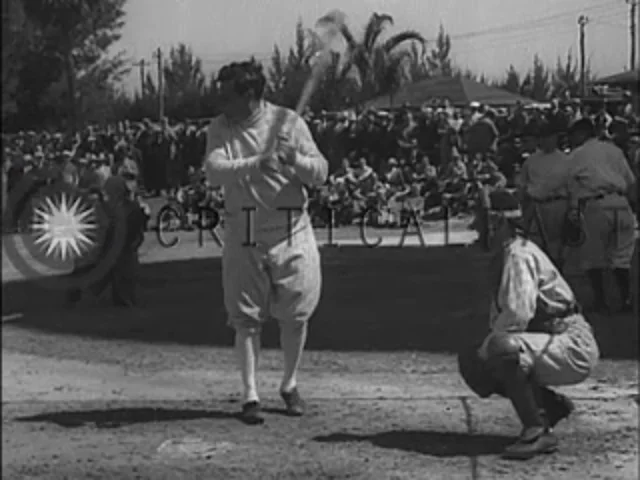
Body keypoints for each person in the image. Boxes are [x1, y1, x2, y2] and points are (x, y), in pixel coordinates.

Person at [204, 60, 328, 425]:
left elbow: (321, 172)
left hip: (292, 229)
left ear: (249, 95)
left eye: (227, 95)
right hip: (244, 229)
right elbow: (213, 172)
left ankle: (289, 384)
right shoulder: (220, 128)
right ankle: (250, 395)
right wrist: (259, 162)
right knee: (245, 318)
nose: (220, 101)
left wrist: (295, 159)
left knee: (296, 314)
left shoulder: (290, 122)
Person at [457, 190, 600, 460]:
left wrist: (486, 350)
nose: (476, 227)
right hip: (554, 340)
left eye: (482, 219)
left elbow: (516, 315)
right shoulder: (510, 252)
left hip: (571, 343)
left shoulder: (518, 256)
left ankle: (537, 431)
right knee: (477, 359)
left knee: (499, 349)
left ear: (497, 222)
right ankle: (548, 406)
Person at [566, 118, 637, 313]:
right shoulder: (613, 150)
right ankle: (626, 300)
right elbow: (630, 181)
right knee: (621, 256)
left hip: (595, 204)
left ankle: (601, 301)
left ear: (581, 134)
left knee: (593, 256)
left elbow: (566, 182)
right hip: (621, 203)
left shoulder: (578, 155)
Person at [519, 120, 571, 269]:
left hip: (558, 204)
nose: (547, 140)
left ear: (556, 138)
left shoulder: (565, 160)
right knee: (536, 244)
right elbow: (523, 184)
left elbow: (571, 186)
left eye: (550, 137)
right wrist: (524, 210)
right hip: (536, 205)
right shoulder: (531, 160)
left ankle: (557, 274)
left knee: (557, 244)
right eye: (544, 137)